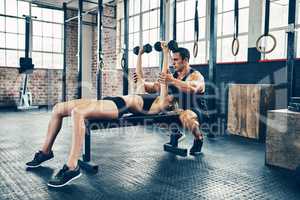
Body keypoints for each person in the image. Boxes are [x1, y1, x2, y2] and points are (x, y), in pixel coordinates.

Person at [26, 42, 173, 188]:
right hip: (112, 101)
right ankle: (45, 152)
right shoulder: (143, 93)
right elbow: (140, 76)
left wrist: (166, 53)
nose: (158, 82)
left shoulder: (161, 102)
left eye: (162, 83)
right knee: (58, 108)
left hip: (119, 107)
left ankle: (72, 166)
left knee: (78, 113)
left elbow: (164, 78)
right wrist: (140, 54)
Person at [133, 47, 205, 156]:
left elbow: (193, 88)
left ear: (185, 60)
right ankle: (176, 134)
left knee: (186, 116)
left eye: (176, 60)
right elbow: (154, 87)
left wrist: (171, 80)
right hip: (177, 109)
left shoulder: (195, 75)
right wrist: (141, 82)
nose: (173, 63)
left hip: (194, 110)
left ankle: (198, 138)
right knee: (158, 111)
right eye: (172, 60)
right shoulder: (173, 75)